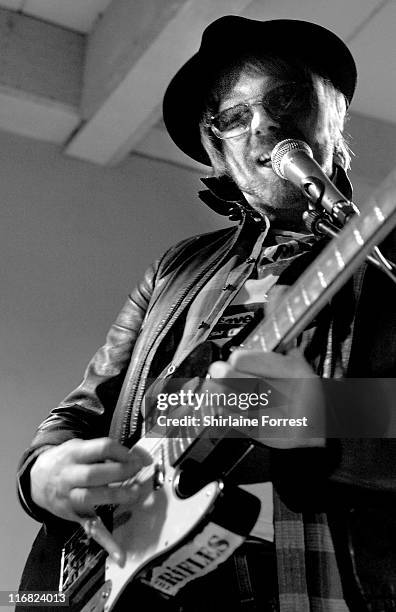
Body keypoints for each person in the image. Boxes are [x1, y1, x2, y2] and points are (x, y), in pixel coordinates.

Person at [17, 15, 396, 612]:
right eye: (234, 117)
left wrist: (320, 420)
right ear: (217, 153)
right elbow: (84, 409)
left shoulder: (387, 259)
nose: (265, 125)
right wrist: (42, 477)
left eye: (287, 100)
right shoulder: (176, 271)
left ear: (335, 116)